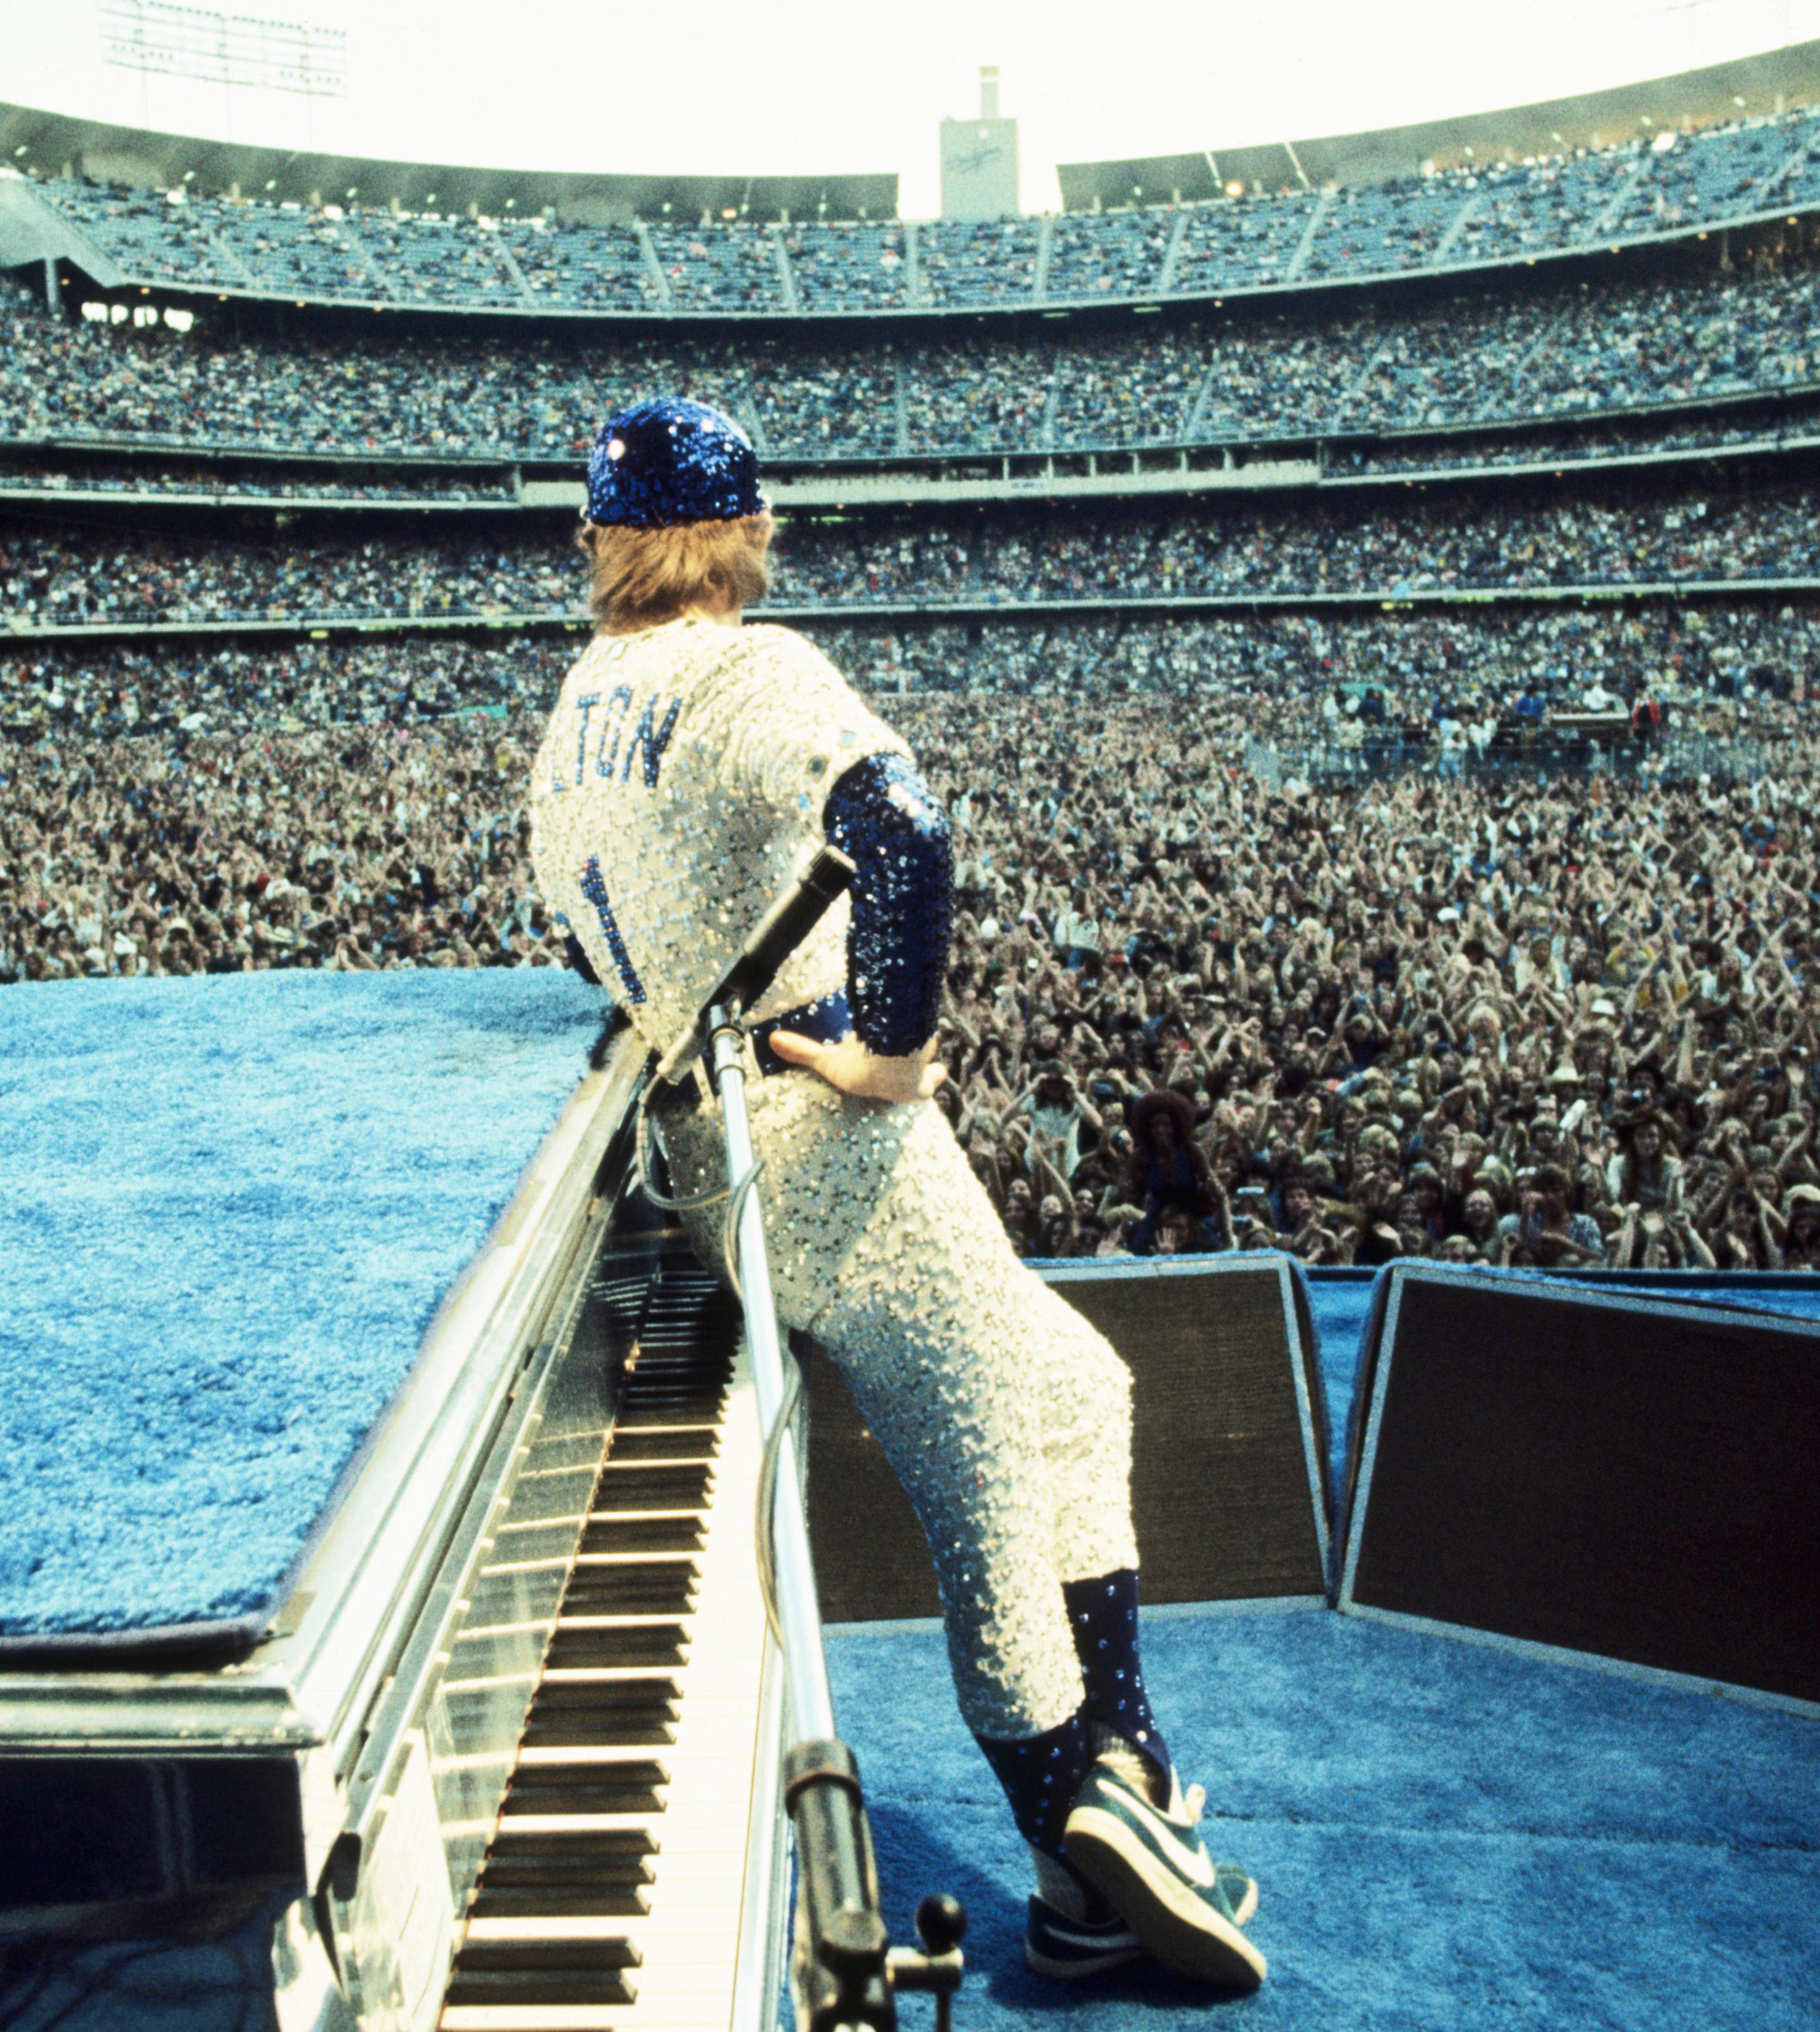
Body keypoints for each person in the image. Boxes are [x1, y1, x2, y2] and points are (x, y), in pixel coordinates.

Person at [521, 399, 1265, 1993]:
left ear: (607, 536)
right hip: (826, 1139)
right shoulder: (748, 662)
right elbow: (907, 829)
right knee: (988, 1466)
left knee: (1078, 1377)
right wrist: (888, 1047)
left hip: (705, 1144)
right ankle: (1076, 1841)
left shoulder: (580, 701)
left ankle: (1123, 1767)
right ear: (744, 528)